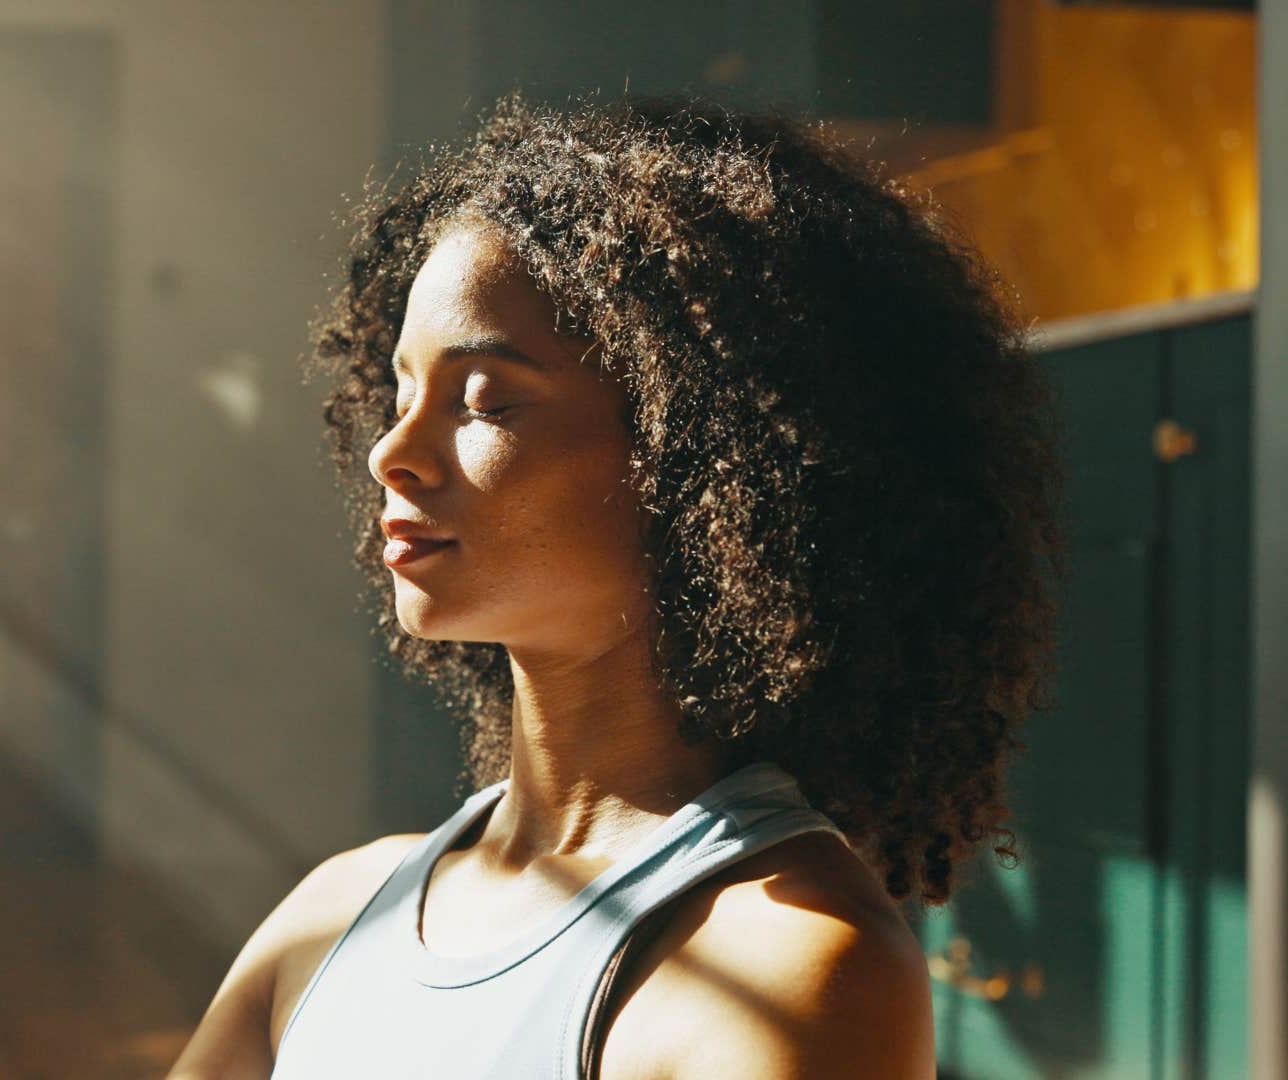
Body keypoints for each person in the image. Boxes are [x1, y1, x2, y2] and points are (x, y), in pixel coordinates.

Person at [168, 92, 1064, 1079]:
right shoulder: (335, 915)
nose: (392, 452)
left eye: (484, 400)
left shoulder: (787, 969)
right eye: (401, 391)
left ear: (706, 454)